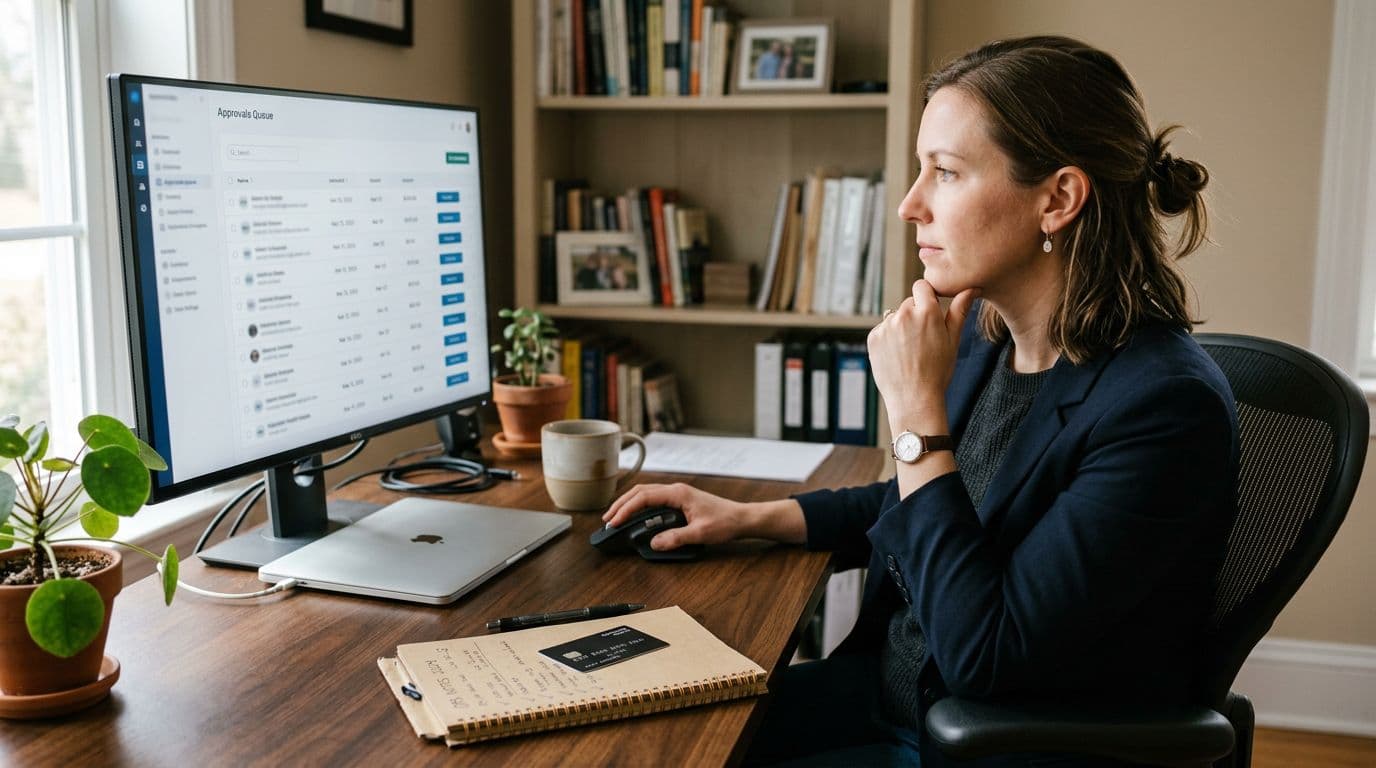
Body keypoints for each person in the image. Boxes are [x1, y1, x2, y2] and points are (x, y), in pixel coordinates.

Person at [604, 35, 1235, 767]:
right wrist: (750, 518)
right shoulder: (991, 336)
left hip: (976, 743)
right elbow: (933, 503)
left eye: (946, 172)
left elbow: (986, 655)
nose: (909, 206)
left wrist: (914, 417)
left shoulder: (1162, 408)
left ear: (1058, 198)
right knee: (642, 740)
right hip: (886, 694)